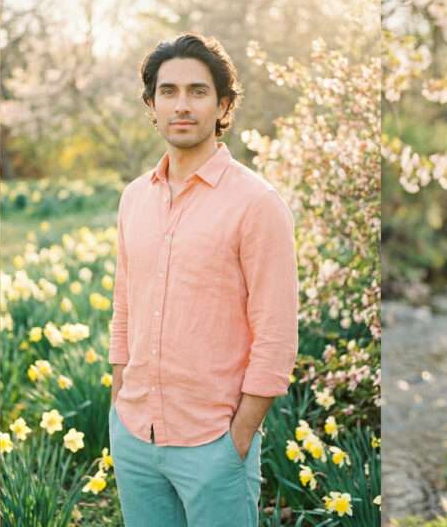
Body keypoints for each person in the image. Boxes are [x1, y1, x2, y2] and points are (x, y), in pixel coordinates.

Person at [106, 33, 298, 526]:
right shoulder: (134, 199)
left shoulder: (256, 203)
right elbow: (125, 305)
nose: (182, 105)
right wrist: (118, 405)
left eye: (198, 91)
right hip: (133, 435)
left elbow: (276, 333)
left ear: (223, 104)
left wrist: (239, 436)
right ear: (151, 104)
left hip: (213, 444)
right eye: (168, 92)